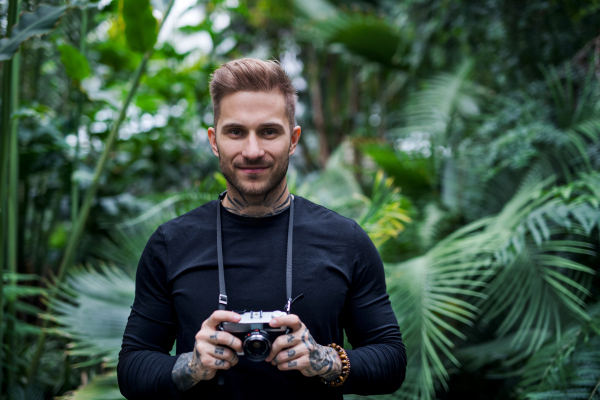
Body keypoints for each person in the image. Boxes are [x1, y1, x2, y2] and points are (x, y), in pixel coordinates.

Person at [117, 58, 407, 399]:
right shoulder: (171, 243)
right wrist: (192, 365)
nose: (252, 151)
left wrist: (323, 358)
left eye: (269, 132)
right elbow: (132, 368)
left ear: (293, 139)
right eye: (236, 132)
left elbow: (391, 359)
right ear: (214, 141)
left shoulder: (346, 240)